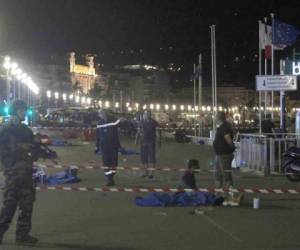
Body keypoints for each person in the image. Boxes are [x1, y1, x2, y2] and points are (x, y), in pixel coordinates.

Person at [0, 100, 38, 244]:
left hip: (26, 172)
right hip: (13, 173)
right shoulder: (5, 129)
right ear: (15, 111)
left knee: (27, 203)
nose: (24, 113)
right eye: (22, 110)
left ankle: (22, 235)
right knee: (9, 204)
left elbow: (33, 147)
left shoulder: (25, 129)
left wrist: (37, 150)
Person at [96, 110, 121, 186]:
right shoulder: (99, 123)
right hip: (104, 145)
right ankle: (109, 178)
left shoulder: (113, 121)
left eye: (103, 113)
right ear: (99, 115)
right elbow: (98, 135)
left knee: (114, 162)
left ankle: (112, 176)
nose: (102, 115)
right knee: (106, 162)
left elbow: (120, 124)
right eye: (101, 114)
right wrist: (96, 146)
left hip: (113, 145)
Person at [213, 112, 235, 189]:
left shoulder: (224, 127)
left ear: (218, 118)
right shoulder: (223, 126)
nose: (214, 118)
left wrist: (231, 149)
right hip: (220, 154)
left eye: (215, 117)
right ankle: (218, 192)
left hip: (224, 155)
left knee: (226, 175)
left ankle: (230, 194)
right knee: (218, 174)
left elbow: (228, 139)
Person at [136, 110, 158, 178]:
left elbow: (157, 131)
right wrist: (136, 140)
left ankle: (151, 173)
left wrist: (159, 140)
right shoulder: (141, 122)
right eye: (145, 114)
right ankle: (145, 172)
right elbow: (139, 131)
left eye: (148, 114)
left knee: (152, 158)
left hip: (151, 142)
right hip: (143, 142)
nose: (147, 115)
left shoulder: (153, 122)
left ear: (150, 115)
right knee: (144, 158)